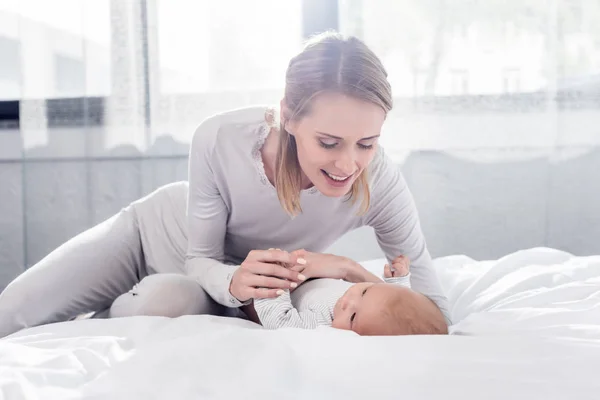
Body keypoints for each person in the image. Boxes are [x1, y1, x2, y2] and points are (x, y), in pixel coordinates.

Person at [0, 31, 449, 339]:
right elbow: (201, 257)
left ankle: (100, 316)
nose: (349, 163)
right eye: (329, 142)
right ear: (289, 117)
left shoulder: (380, 181)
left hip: (228, 293)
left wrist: (348, 271)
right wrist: (236, 277)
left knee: (161, 303)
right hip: (159, 238)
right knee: (13, 313)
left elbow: (432, 312)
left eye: (367, 143)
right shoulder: (222, 138)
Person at [252, 254, 444, 336]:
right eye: (364, 291)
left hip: (291, 287)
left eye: (352, 317)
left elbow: (280, 320)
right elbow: (394, 300)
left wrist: (274, 278)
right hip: (317, 274)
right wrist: (399, 282)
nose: (346, 301)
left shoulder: (319, 326)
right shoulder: (374, 306)